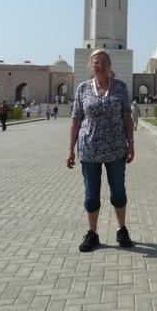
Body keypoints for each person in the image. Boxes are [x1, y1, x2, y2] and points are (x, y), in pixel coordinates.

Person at [67, 49, 135, 252]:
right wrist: (70, 150)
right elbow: (76, 120)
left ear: (109, 64)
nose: (100, 65)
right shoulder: (82, 89)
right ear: (90, 65)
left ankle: (122, 229)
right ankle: (92, 233)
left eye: (104, 62)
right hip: (89, 150)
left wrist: (131, 144)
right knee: (91, 193)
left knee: (118, 191)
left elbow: (127, 117)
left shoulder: (120, 87)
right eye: (96, 62)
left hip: (116, 149)